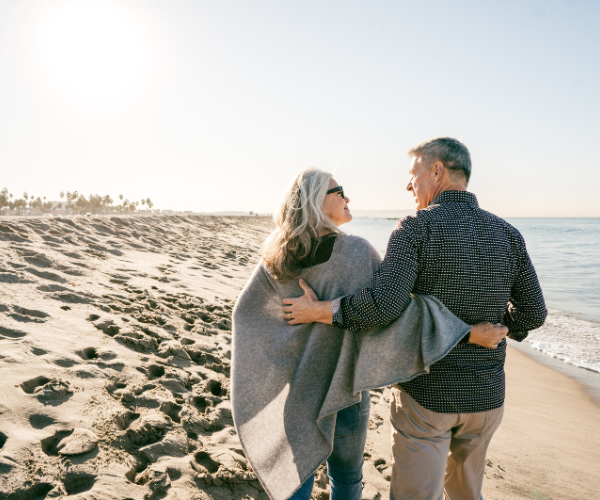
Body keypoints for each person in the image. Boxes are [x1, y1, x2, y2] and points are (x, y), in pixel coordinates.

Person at [282, 138, 547, 500]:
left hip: (428, 396)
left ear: (437, 171)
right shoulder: (508, 234)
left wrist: (321, 311)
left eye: (413, 174)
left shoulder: (415, 228)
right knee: (467, 494)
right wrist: (502, 329)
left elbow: (383, 306)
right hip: (487, 396)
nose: (409, 185)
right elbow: (534, 313)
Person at [232, 167, 507, 500]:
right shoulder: (356, 253)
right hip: (345, 387)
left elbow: (246, 316)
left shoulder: (276, 257)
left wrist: (288, 349)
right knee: (347, 478)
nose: (348, 197)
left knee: (296, 476)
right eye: (339, 191)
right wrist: (467, 333)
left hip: (299, 389)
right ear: (317, 201)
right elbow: (398, 313)